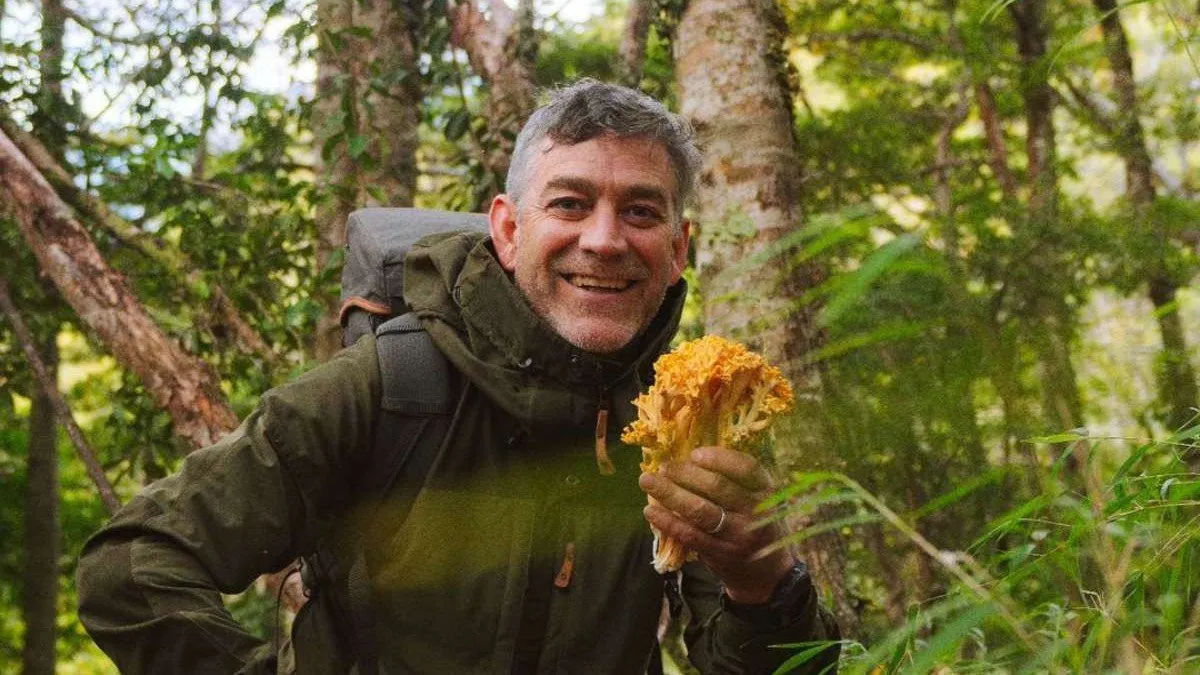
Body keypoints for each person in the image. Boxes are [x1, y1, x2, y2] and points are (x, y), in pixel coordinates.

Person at [76, 80, 840, 674]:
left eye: (641, 212)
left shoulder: (689, 424)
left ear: (680, 248)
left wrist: (761, 579)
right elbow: (133, 565)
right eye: (570, 202)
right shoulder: (385, 388)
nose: (604, 240)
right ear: (508, 231)